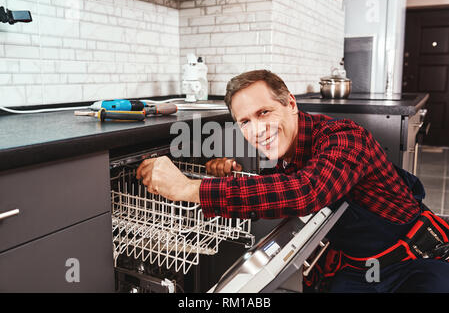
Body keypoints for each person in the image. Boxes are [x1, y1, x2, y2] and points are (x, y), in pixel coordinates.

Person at [136, 70, 449, 292]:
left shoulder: (345, 137)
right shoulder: (288, 154)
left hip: (416, 261)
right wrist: (231, 173)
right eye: (245, 121)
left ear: (291, 104)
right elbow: (278, 188)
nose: (257, 130)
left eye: (264, 112)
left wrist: (189, 188)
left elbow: (307, 191)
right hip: (359, 266)